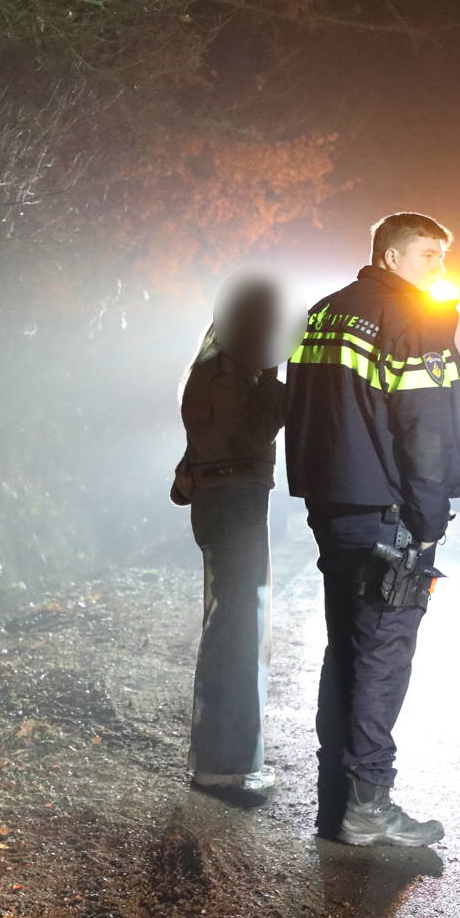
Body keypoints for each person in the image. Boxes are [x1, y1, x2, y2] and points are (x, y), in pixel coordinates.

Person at [283, 212, 460, 845]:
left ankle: (335, 801)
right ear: (391, 258)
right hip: (388, 514)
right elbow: (424, 432)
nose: (439, 270)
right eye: (428, 256)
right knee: (384, 654)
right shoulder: (415, 318)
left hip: (332, 506)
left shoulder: (322, 312)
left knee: (346, 648)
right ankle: (369, 801)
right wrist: (426, 526)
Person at [172, 277, 286, 794]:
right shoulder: (227, 379)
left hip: (229, 504)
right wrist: (274, 375)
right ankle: (223, 763)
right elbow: (260, 425)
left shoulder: (217, 371)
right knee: (236, 629)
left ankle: (226, 759)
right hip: (233, 505)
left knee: (236, 623)